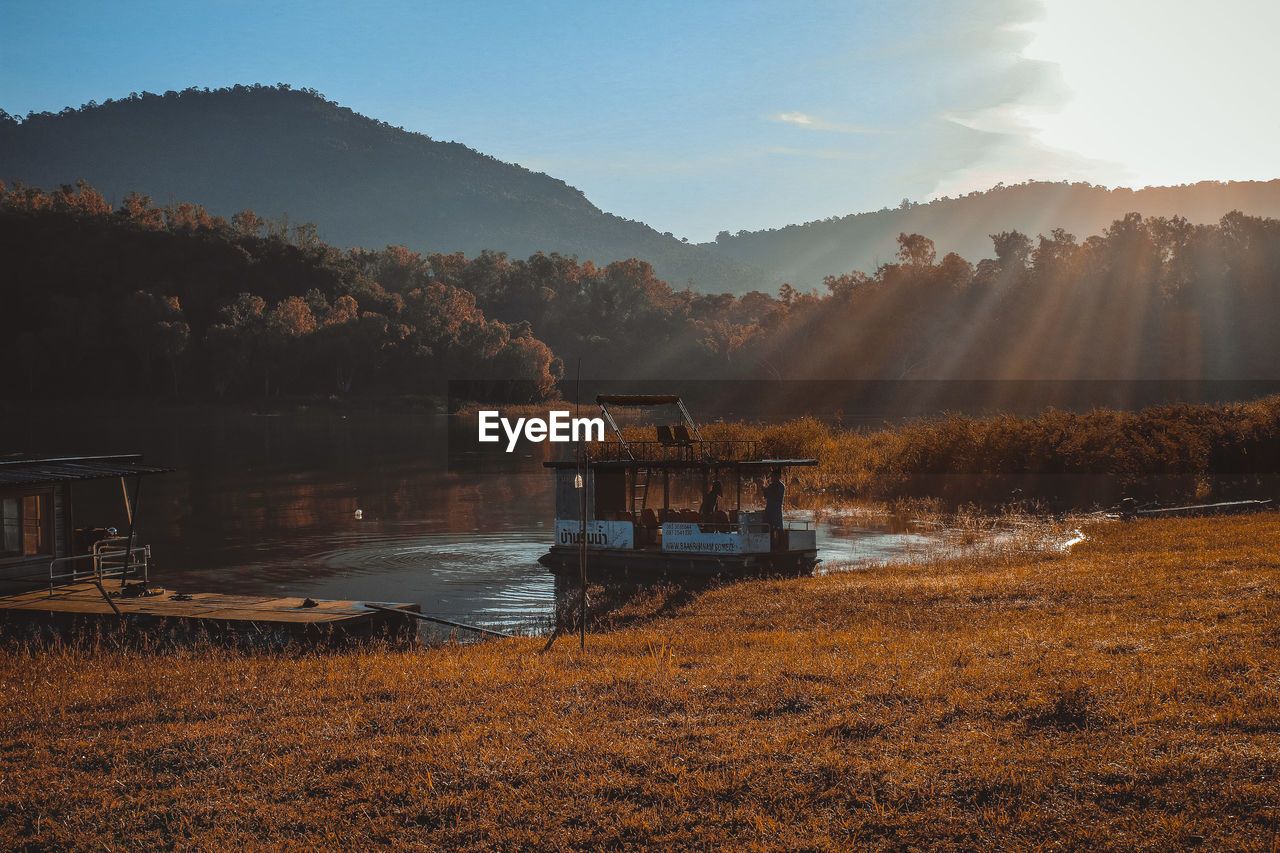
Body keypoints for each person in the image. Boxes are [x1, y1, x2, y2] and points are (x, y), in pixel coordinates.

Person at [761, 467, 785, 540]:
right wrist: (764, 490)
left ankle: (780, 544)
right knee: (768, 527)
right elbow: (766, 495)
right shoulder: (772, 485)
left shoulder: (781, 486)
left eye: (773, 476)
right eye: (772, 476)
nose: (771, 478)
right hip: (769, 509)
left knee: (777, 528)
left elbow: (775, 495)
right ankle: (769, 543)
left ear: (778, 476)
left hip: (776, 509)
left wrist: (766, 490)